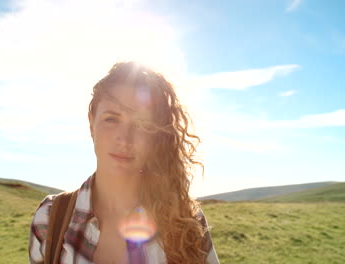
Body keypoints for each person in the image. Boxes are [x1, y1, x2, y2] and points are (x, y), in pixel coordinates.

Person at [29, 61, 219, 264]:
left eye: (142, 124)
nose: (125, 140)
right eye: (111, 119)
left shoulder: (186, 222)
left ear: (157, 135)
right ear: (91, 123)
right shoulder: (50, 219)